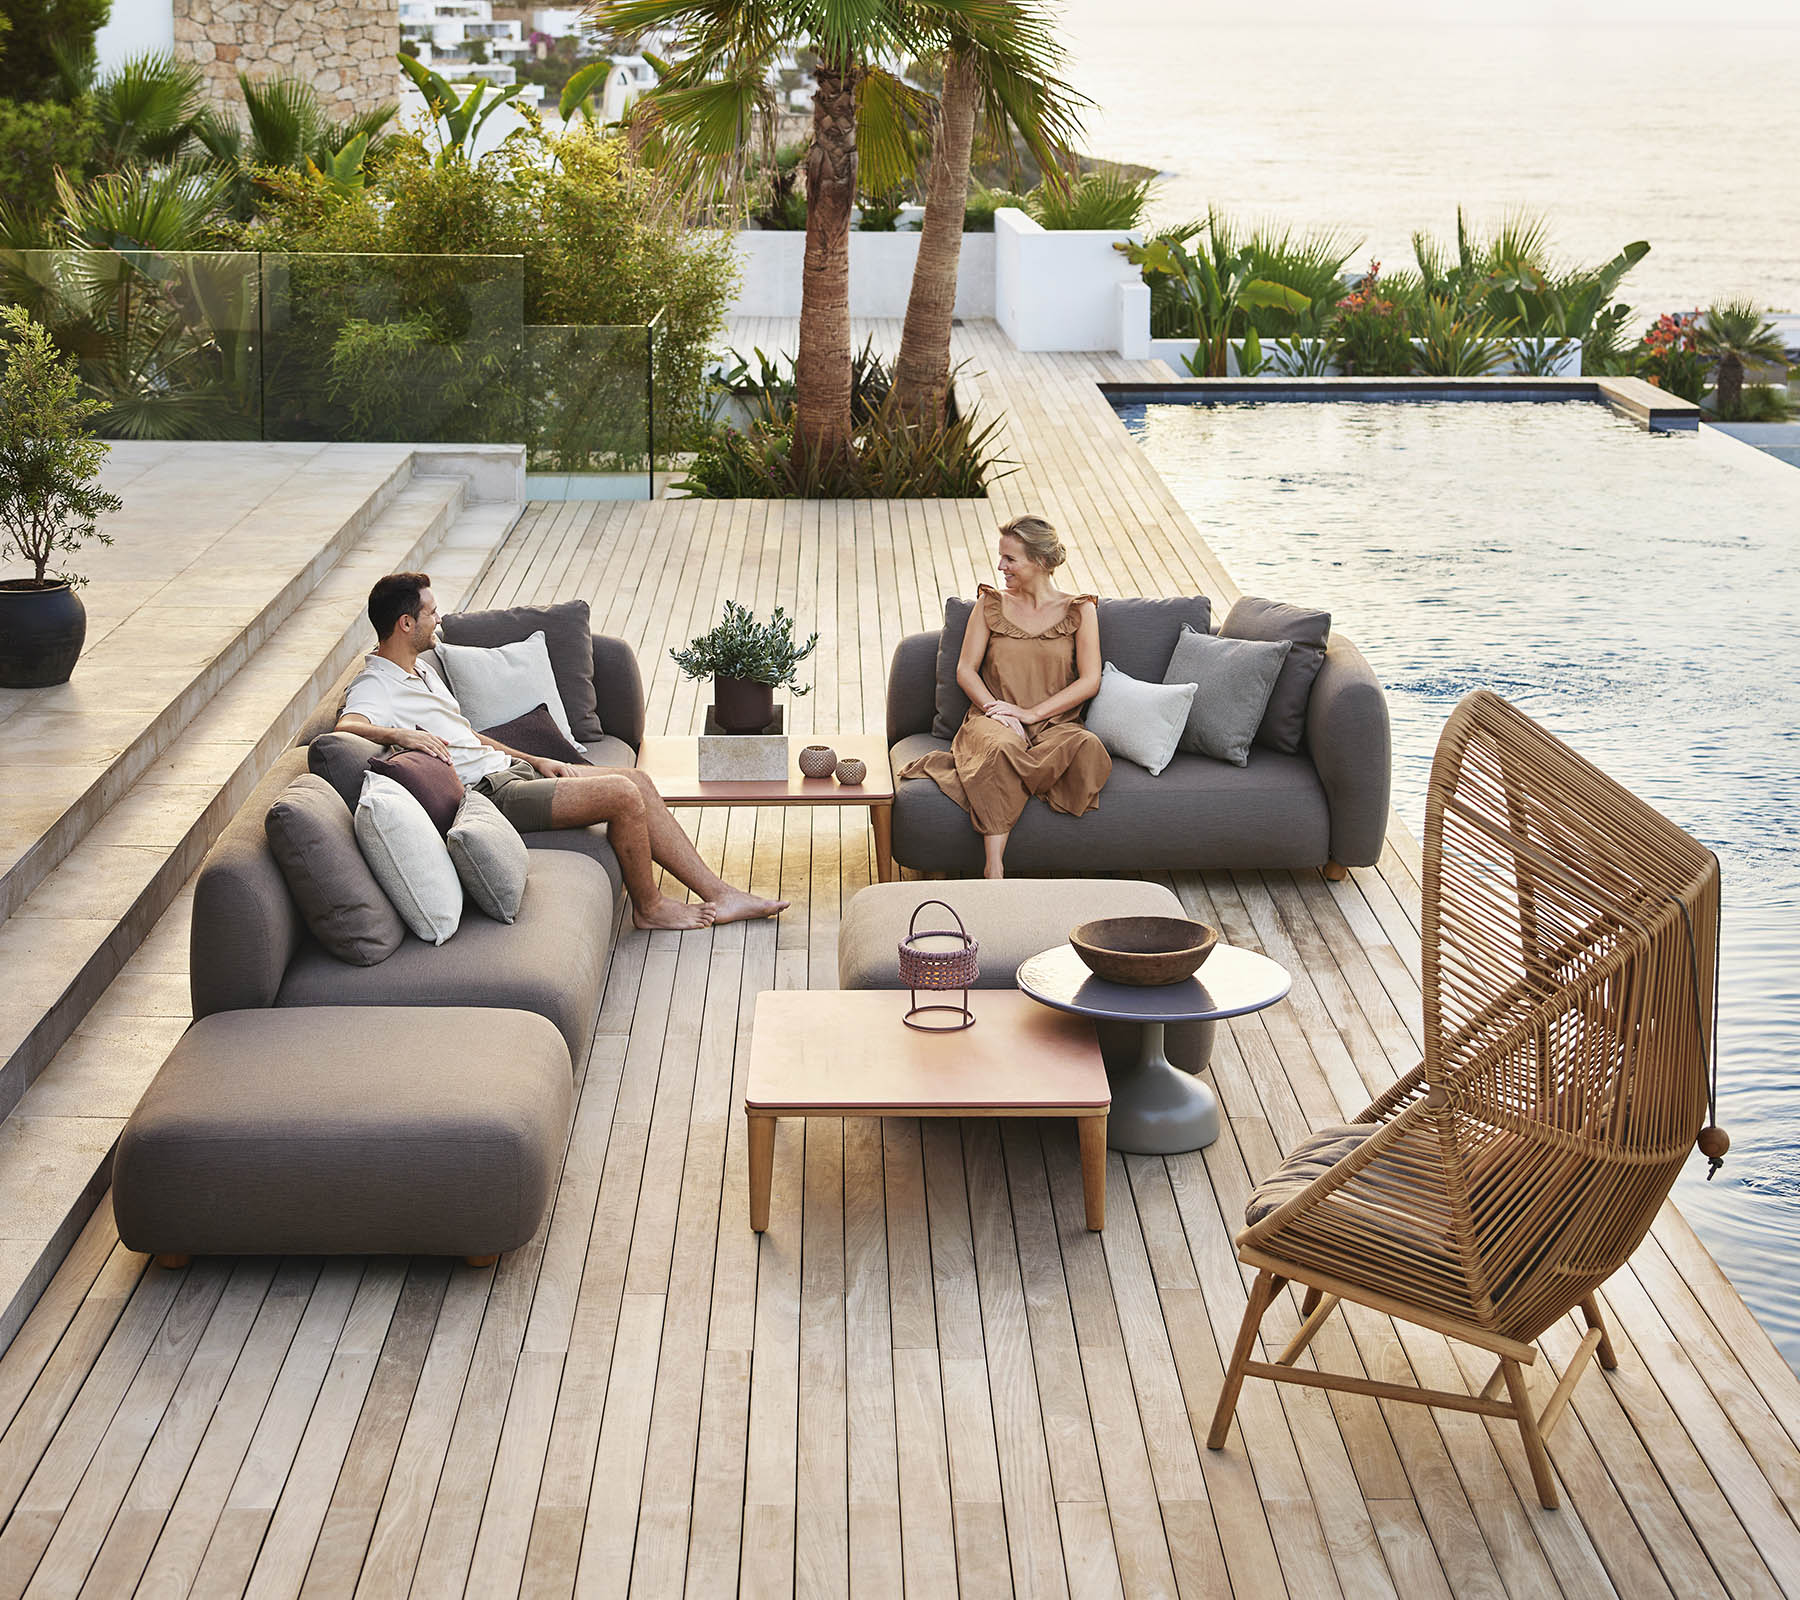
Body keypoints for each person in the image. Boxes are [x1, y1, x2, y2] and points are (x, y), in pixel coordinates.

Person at [335, 573, 787, 931]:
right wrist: (404, 736)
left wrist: (536, 760)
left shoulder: (421, 672)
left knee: (638, 782)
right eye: (432, 612)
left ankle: (721, 893)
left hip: (512, 771)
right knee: (622, 796)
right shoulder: (377, 683)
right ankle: (650, 908)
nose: (441, 619)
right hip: (488, 795)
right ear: (406, 623)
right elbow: (346, 727)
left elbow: (470, 736)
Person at [899, 517, 1110, 878]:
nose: (1001, 566)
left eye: (1011, 559)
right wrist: (997, 712)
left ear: (1041, 562)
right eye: (1001, 557)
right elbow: (966, 669)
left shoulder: (1080, 610)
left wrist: (1030, 714)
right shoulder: (990, 604)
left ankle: (993, 778)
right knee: (1001, 748)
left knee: (1087, 747)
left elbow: (1090, 680)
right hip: (993, 719)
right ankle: (994, 867)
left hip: (1054, 724)